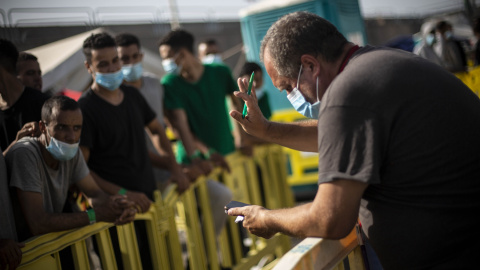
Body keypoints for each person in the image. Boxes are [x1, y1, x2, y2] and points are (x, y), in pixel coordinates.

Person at [227, 11, 480, 269]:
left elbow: (330, 218)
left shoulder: (349, 93)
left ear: (311, 66)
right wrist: (266, 130)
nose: (292, 96)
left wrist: (268, 219)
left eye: (288, 86)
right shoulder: (377, 66)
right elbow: (338, 136)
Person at [5, 96, 137, 242]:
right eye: (62, 127)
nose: (71, 137)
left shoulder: (72, 152)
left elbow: (94, 193)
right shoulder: (25, 153)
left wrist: (118, 206)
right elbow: (38, 222)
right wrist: (96, 215)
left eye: (77, 128)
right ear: (43, 127)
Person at [159, 29, 236, 236]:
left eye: (167, 58)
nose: (165, 64)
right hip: (193, 164)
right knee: (202, 222)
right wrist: (199, 154)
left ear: (182, 54)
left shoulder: (220, 72)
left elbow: (238, 103)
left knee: (234, 225)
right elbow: (179, 126)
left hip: (227, 156)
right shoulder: (170, 83)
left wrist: (243, 138)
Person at [115, 33, 190, 193]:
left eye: (135, 56)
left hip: (166, 172)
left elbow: (164, 125)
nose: (131, 63)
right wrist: (173, 166)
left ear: (141, 56)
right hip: (137, 180)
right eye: (124, 59)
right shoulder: (116, 94)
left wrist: (187, 160)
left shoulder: (155, 84)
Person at [0, 39, 49, 153]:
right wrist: (16, 145)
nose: (38, 78)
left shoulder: (46, 106)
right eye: (30, 73)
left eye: (39, 73)